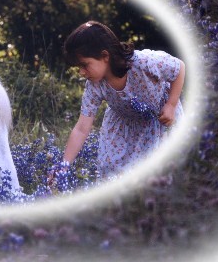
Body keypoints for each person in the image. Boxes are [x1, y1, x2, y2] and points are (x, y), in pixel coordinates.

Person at [56, 21, 185, 182]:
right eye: (78, 67)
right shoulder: (95, 85)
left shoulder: (143, 62)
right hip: (122, 129)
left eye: (84, 65)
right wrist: (64, 165)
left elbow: (179, 68)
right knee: (110, 172)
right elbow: (82, 128)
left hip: (159, 120)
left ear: (105, 56)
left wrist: (171, 104)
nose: (81, 72)